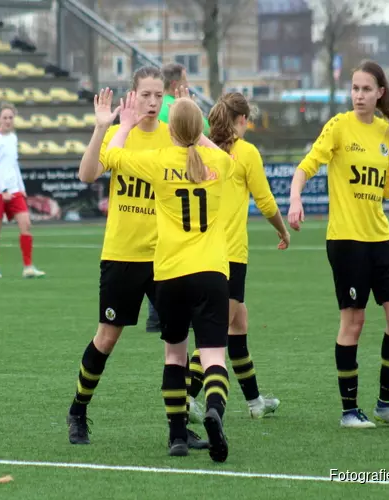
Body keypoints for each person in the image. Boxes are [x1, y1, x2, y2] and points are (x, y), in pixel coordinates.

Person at [104, 92, 269, 462]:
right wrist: (197, 130)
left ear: (170, 130)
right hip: (212, 271)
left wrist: (125, 125)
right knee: (213, 355)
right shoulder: (219, 161)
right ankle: (214, 411)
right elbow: (218, 154)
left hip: (170, 274)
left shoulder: (159, 160)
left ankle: (178, 435)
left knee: (175, 356)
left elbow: (110, 156)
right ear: (201, 129)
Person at [65, 67, 206, 451]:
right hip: (122, 255)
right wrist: (102, 127)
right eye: (145, 94)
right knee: (107, 337)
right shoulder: (117, 135)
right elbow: (87, 174)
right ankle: (78, 410)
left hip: (166, 259)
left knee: (176, 341)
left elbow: (205, 168)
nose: (152, 102)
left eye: (159, 95)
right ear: (132, 95)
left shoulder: (172, 136)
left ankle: (178, 431)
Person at [287, 60, 389, 429]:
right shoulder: (339, 126)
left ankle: (386, 404)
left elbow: (387, 190)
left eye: (365, 89)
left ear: (380, 93)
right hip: (346, 240)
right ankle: (349, 411)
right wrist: (295, 198)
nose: (358, 95)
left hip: (380, 237)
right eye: (355, 88)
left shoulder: (386, 132)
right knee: (354, 321)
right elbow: (306, 166)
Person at [182, 92, 289, 419]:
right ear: (241, 120)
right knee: (215, 333)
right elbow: (266, 202)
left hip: (200, 252)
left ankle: (255, 403)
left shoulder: (200, 151)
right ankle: (185, 396)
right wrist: (283, 231)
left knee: (238, 323)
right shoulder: (245, 153)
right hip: (230, 257)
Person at [145, 62, 211, 333]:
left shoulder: (154, 110)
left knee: (157, 247)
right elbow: (203, 131)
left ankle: (156, 314)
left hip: (153, 179)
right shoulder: (181, 108)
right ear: (177, 85)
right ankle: (177, 310)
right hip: (179, 180)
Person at [0, 102, 45, 279]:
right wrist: (2, 190)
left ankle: (28, 267)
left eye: (11, 117)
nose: (8, 121)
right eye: (5, 117)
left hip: (14, 190)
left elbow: (14, 164)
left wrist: (21, 187)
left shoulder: (13, 137)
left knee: (26, 224)